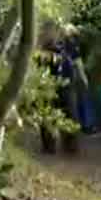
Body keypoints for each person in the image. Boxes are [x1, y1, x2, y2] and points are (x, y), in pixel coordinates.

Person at [38, 25, 86, 156]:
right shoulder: (45, 45)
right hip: (48, 83)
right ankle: (49, 146)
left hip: (67, 83)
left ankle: (71, 146)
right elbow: (38, 64)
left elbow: (77, 61)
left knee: (71, 113)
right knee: (48, 113)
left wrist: (83, 78)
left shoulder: (70, 44)